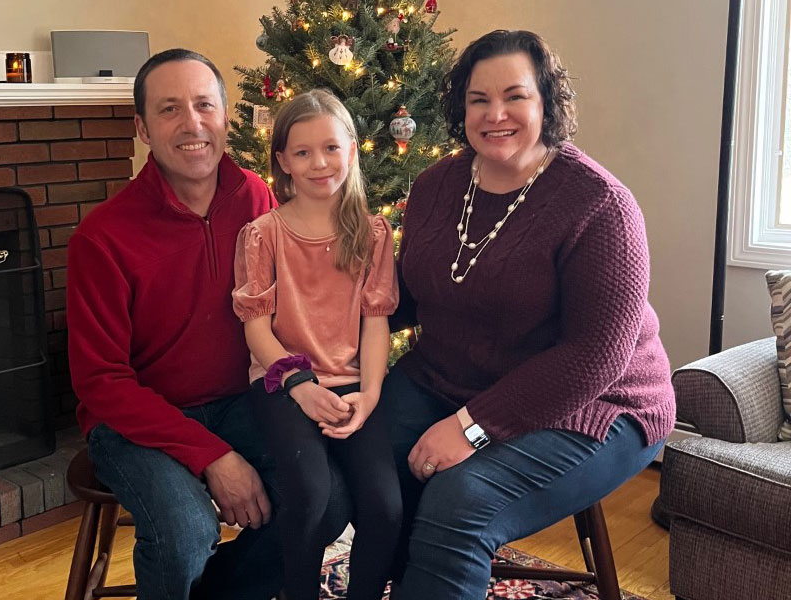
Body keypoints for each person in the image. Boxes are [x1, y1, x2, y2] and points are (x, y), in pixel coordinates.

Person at [383, 30, 677, 599]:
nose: (496, 114)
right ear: (459, 107)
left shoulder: (598, 203)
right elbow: (412, 294)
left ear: (546, 101)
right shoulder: (435, 186)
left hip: (599, 403)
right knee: (366, 461)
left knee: (459, 502)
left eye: (515, 96)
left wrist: (472, 427)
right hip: (449, 376)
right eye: (477, 99)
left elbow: (597, 356)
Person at [66, 49, 348, 600]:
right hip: (138, 421)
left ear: (224, 116)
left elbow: (287, 313)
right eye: (170, 110)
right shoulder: (101, 236)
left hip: (245, 400)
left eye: (204, 106)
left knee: (330, 500)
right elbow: (101, 383)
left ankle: (214, 592)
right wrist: (214, 456)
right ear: (143, 129)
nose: (192, 124)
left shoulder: (258, 198)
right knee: (184, 533)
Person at [232, 89, 402, 600]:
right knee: (309, 493)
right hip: (282, 384)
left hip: (353, 385)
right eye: (302, 152)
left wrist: (369, 396)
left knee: (384, 505)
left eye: (330, 148)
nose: (318, 163)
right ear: (282, 161)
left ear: (352, 148)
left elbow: (376, 323)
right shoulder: (263, 234)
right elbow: (256, 328)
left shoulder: (373, 235)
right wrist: (300, 385)